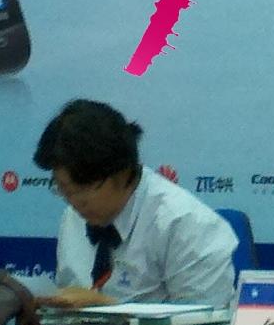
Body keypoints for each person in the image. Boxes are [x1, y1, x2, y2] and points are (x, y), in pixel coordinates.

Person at [34, 100, 239, 308]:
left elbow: (204, 320)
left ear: (121, 172)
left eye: (82, 189)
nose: (74, 202)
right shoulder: (73, 216)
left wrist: (105, 306)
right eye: (63, 189)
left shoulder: (186, 225)